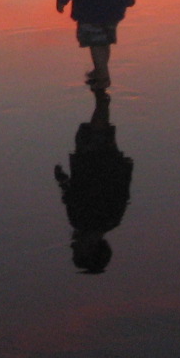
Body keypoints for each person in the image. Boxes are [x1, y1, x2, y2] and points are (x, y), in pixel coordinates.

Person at [53, 86, 134, 274]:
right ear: (91, 249)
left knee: (94, 130)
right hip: (97, 162)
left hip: (91, 162)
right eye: (77, 251)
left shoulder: (102, 221)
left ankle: (101, 92)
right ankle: (101, 90)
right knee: (98, 128)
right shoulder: (101, 220)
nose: (72, 247)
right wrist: (63, 180)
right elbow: (120, 190)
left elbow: (70, 195)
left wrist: (63, 180)